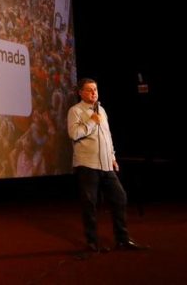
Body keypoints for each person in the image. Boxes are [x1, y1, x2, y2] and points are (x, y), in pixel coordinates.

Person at [67, 78, 148, 252]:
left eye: (95, 89)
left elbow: (107, 136)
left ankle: (122, 239)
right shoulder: (75, 111)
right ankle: (93, 243)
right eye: (89, 90)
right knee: (90, 204)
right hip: (87, 164)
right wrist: (91, 121)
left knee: (120, 197)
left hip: (106, 164)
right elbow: (74, 134)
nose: (93, 93)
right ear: (80, 92)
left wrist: (112, 157)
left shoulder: (102, 110)